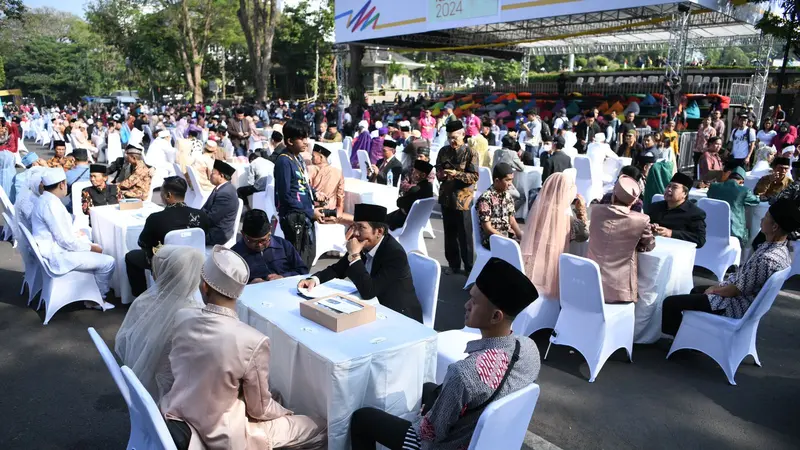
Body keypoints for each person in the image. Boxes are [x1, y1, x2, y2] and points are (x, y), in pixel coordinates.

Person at [350, 257, 540, 450]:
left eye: (474, 302)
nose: (466, 305)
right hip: (486, 438)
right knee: (426, 389)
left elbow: (429, 435)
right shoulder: (529, 348)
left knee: (363, 417)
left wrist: (426, 418)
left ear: (495, 316)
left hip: (449, 445)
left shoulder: (465, 373)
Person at [160, 245, 327, 450]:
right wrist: (287, 413)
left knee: (275, 395)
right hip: (224, 436)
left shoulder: (182, 316)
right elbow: (260, 410)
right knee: (321, 426)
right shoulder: (252, 340)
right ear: (239, 292)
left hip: (177, 412)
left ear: (204, 287)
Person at [661, 198, 800, 336]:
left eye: (766, 217)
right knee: (696, 290)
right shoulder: (780, 250)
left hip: (734, 305)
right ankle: (693, 335)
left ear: (774, 227)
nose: (762, 219)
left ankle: (682, 340)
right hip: (743, 300)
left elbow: (734, 291)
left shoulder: (768, 258)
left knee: (670, 303)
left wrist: (714, 289)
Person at [298, 204, 423, 321]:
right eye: (354, 227)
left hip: (399, 315)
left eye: (361, 228)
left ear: (379, 232)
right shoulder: (363, 243)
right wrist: (314, 279)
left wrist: (354, 256)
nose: (356, 234)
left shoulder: (394, 254)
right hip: (374, 307)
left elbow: (368, 292)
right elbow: (338, 269)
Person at [115, 245, 204, 402]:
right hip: (176, 395)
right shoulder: (197, 314)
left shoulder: (142, 302)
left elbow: (123, 342)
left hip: (141, 383)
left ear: (159, 275)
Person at [32, 169, 116, 310]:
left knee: (87, 238)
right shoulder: (52, 204)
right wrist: (90, 248)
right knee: (108, 262)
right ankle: (96, 299)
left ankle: (91, 292)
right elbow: (65, 241)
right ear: (62, 185)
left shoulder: (45, 199)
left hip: (53, 250)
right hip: (57, 256)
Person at [125, 176, 210, 297]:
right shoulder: (201, 215)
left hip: (168, 264)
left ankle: (140, 297)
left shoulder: (156, 218)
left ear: (168, 195)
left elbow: (143, 243)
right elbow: (204, 236)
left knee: (131, 257)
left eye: (162, 192)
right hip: (194, 260)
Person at [587, 175, 656, 303]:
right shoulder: (641, 220)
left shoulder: (596, 211)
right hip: (619, 288)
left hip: (590, 282)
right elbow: (650, 245)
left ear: (613, 195)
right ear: (634, 201)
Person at [521, 172, 588, 299]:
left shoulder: (537, 210)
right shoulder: (566, 219)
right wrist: (581, 211)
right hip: (550, 272)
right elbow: (583, 235)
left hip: (532, 267)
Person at [275, 120, 322, 268]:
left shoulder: (298, 157)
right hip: (294, 217)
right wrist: (309, 211)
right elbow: (285, 195)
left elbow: (301, 183)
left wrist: (315, 193)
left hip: (305, 214)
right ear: (289, 141)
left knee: (308, 256)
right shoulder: (284, 161)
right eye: (301, 139)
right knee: (298, 260)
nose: (306, 142)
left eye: (306, 138)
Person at [436, 120, 479, 275]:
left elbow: (474, 177)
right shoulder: (443, 151)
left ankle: (468, 267)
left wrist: (457, 174)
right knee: (449, 233)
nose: (452, 141)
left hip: (463, 199)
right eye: (449, 137)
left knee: (465, 234)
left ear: (463, 134)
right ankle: (453, 265)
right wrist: (441, 174)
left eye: (455, 137)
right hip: (446, 196)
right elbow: (438, 172)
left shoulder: (470, 153)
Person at [231, 209, 308, 284]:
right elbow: (228, 284)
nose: (259, 245)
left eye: (263, 240)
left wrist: (283, 277)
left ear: (270, 230)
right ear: (243, 234)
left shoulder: (284, 245)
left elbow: (302, 271)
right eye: (253, 241)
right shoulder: (234, 255)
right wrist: (248, 284)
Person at [648, 172, 707, 248]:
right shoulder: (656, 206)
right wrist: (651, 227)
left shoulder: (694, 213)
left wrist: (671, 233)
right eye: (668, 186)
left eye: (674, 187)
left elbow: (700, 240)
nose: (669, 189)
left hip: (678, 253)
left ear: (684, 194)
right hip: (653, 247)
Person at [708, 166, 760, 246]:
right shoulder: (744, 191)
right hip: (734, 230)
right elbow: (755, 201)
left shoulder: (713, 186)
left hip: (713, 226)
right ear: (741, 181)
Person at [475, 163, 522, 249]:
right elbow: (488, 228)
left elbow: (512, 220)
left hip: (507, 236)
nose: (510, 184)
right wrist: (506, 240)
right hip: (492, 239)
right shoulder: (485, 199)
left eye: (511, 180)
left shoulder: (507, 196)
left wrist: (521, 236)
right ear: (497, 181)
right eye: (507, 180)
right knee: (516, 248)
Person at [387, 160, 434, 231]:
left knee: (381, 219)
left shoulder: (415, 189)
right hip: (416, 222)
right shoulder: (429, 187)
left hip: (404, 221)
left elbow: (399, 202)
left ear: (423, 175)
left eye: (415, 172)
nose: (412, 173)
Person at [202, 160, 239, 246]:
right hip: (213, 228)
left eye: (213, 173)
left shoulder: (225, 193)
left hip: (217, 234)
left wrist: (195, 222)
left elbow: (212, 218)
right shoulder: (222, 188)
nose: (210, 175)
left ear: (221, 176)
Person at [308, 144, 346, 223]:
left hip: (314, 211)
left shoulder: (311, 169)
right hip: (331, 212)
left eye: (313, 156)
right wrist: (339, 213)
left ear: (321, 158)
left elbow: (306, 189)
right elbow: (340, 197)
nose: (311, 159)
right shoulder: (338, 172)